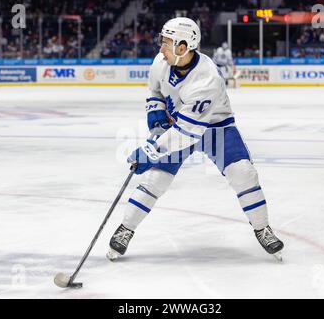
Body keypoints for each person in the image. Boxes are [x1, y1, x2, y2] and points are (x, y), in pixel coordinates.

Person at [106, 17, 284, 261]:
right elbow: (155, 92)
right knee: (156, 179)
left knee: (243, 173)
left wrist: (151, 150)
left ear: (183, 47)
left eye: (166, 43)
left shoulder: (206, 79)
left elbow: (186, 133)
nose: (161, 48)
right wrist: (156, 115)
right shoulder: (160, 62)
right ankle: (126, 228)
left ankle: (262, 227)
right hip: (177, 124)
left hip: (215, 128)